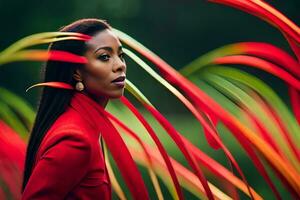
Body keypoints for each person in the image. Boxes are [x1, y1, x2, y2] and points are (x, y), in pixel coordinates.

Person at [21, 18, 127, 199]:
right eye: (104, 57)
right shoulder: (76, 140)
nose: (120, 65)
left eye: (121, 55)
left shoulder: (82, 123)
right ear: (77, 72)